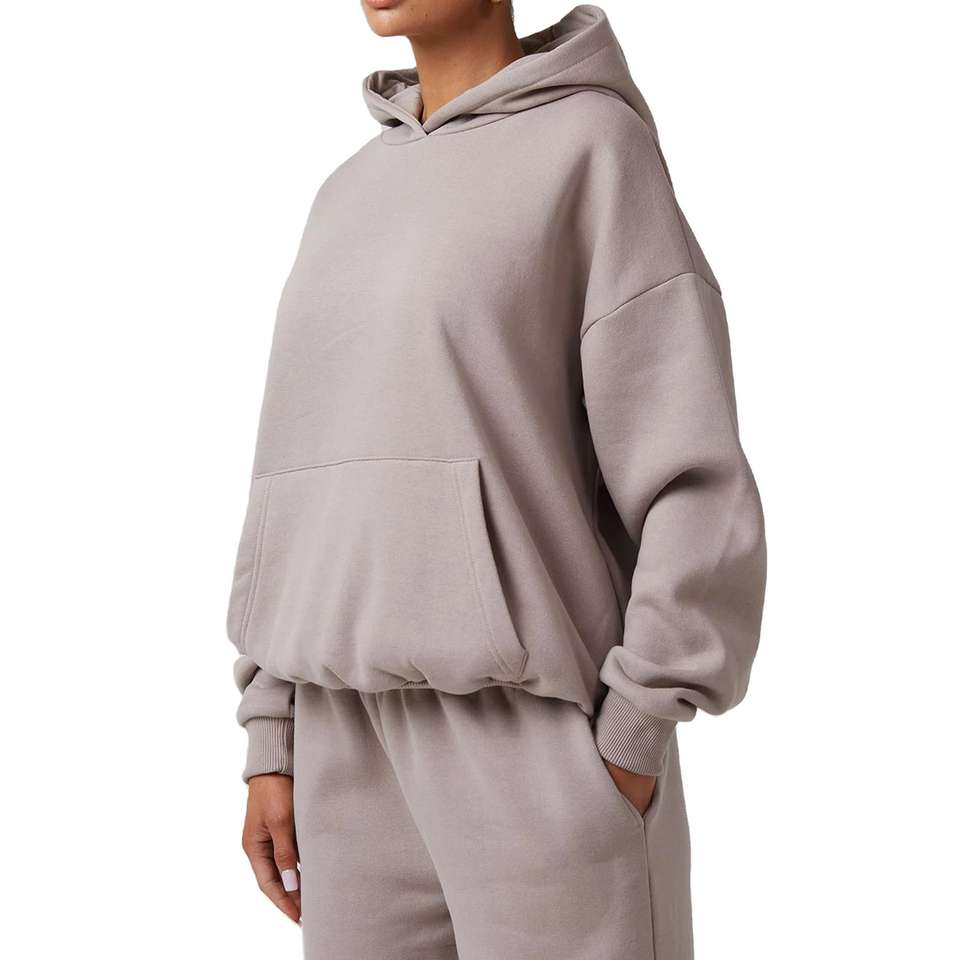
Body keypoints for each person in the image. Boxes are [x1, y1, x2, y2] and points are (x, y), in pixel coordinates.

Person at [228, 3, 766, 958]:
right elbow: (297, 474)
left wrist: (636, 729)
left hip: (535, 744)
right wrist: (272, 731)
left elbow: (691, 474)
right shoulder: (344, 194)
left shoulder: (594, 149)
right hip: (342, 744)